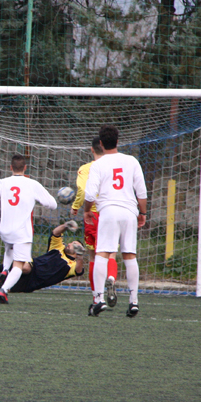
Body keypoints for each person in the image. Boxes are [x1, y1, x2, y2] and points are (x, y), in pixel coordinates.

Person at [83, 124, 148, 317]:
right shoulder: (132, 161)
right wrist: (142, 213)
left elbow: (89, 193)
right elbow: (141, 192)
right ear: (118, 142)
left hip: (108, 212)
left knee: (101, 254)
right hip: (129, 212)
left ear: (101, 144)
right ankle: (134, 302)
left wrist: (87, 210)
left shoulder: (98, 165)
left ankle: (99, 299)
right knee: (129, 255)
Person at [0, 154, 58, 304]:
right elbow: (52, 204)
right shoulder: (32, 184)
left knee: (9, 250)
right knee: (19, 264)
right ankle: (4, 290)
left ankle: (5, 269)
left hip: (5, 230)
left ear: (11, 168)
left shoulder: (2, 182)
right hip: (21, 233)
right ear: (25, 168)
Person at [0, 221, 85, 293]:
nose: (70, 244)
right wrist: (66, 225)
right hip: (32, 266)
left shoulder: (71, 265)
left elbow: (79, 271)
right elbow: (55, 233)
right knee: (25, 267)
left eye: (75, 245)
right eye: (72, 242)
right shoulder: (58, 249)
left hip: (32, 283)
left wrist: (80, 256)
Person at [71, 136, 120, 306]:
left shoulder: (86, 169)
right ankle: (111, 278)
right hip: (111, 212)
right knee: (111, 252)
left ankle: (96, 296)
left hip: (93, 214)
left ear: (92, 149)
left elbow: (83, 191)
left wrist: (76, 206)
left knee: (94, 255)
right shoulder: (115, 166)